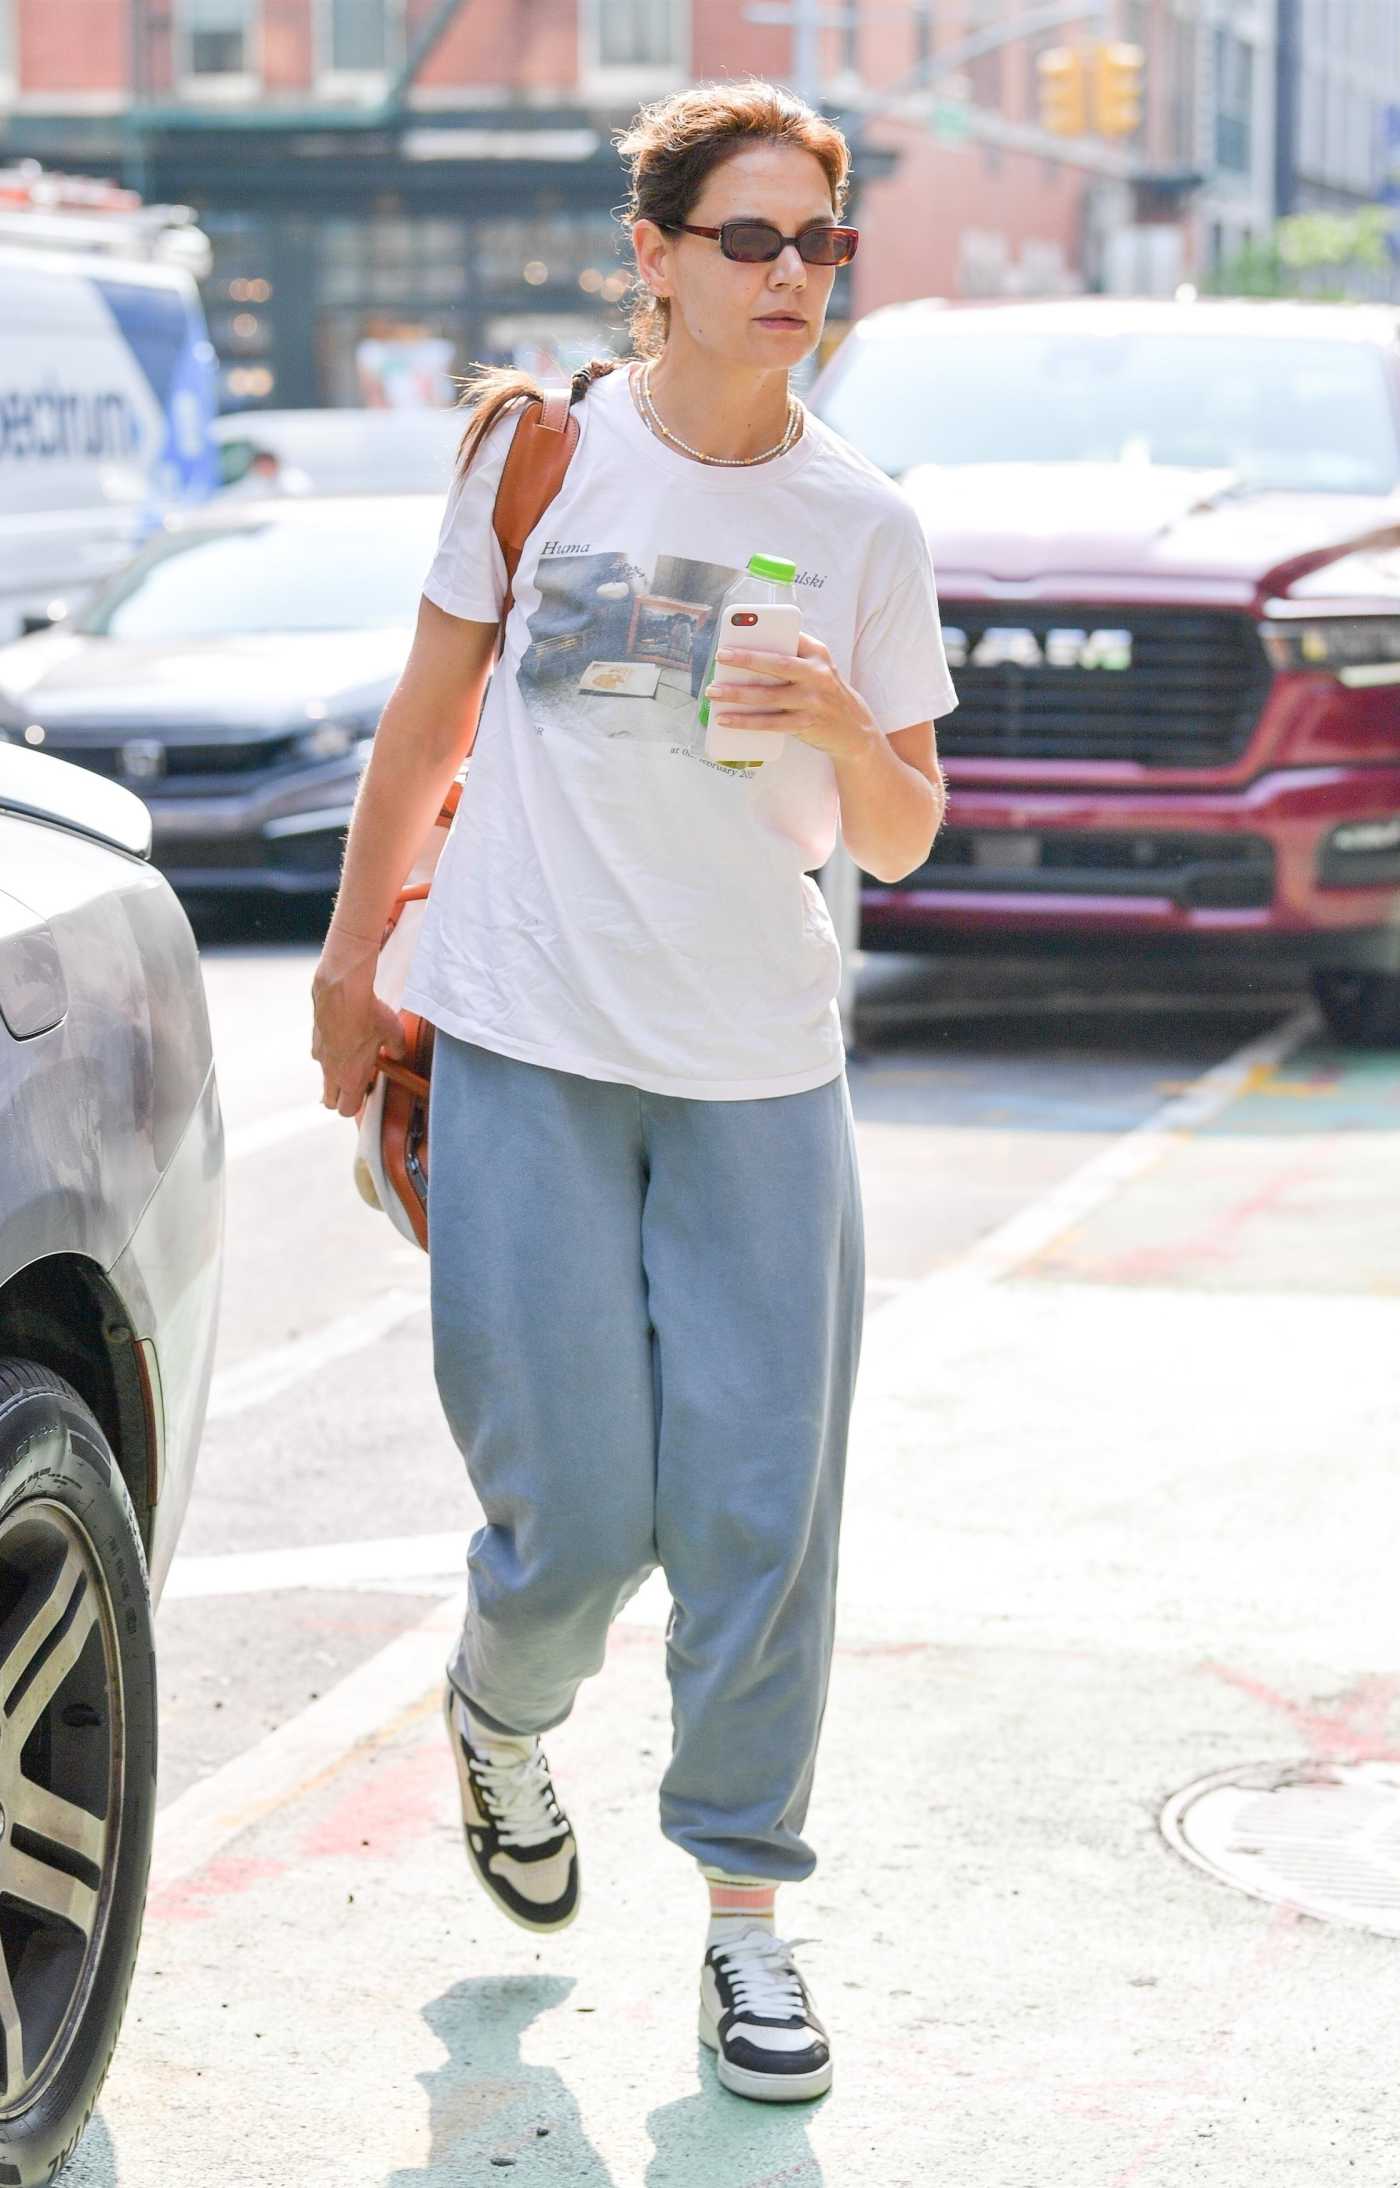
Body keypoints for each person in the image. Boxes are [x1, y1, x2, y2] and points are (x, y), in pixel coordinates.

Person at [310, 76, 958, 2106]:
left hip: (760, 1068)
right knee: (577, 1513)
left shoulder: (863, 521)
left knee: (763, 1512)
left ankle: (746, 1917)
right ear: (655, 258)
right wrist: (349, 968)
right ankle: (501, 1713)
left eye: (819, 242)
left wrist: (850, 719)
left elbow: (910, 831)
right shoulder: (539, 455)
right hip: (522, 1037)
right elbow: (425, 718)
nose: (791, 277)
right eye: (749, 239)